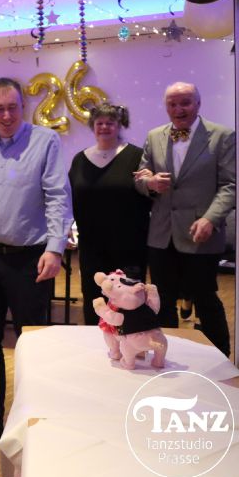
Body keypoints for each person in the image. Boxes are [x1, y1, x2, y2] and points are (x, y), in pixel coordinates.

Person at [0, 77, 72, 449]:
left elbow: (57, 196)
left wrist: (55, 249)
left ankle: (33, 422)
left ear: (23, 106)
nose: (6, 115)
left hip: (29, 260)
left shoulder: (46, 141)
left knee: (32, 345)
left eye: (12, 107)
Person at [134, 82, 235, 356]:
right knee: (161, 300)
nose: (178, 109)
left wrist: (211, 219)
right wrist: (150, 183)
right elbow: (140, 177)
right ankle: (167, 355)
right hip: (161, 234)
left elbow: (230, 185)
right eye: (172, 104)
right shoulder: (154, 135)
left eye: (185, 102)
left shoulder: (223, 136)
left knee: (205, 298)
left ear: (198, 104)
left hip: (200, 233)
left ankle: (220, 358)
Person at [68, 104, 150, 325]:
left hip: (129, 246)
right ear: (92, 126)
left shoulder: (136, 156)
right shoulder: (80, 160)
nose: (104, 127)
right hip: (91, 247)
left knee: (129, 300)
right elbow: (71, 197)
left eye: (110, 123)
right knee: (94, 299)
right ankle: (96, 342)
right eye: (99, 123)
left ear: (119, 125)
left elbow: (148, 194)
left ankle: (131, 344)